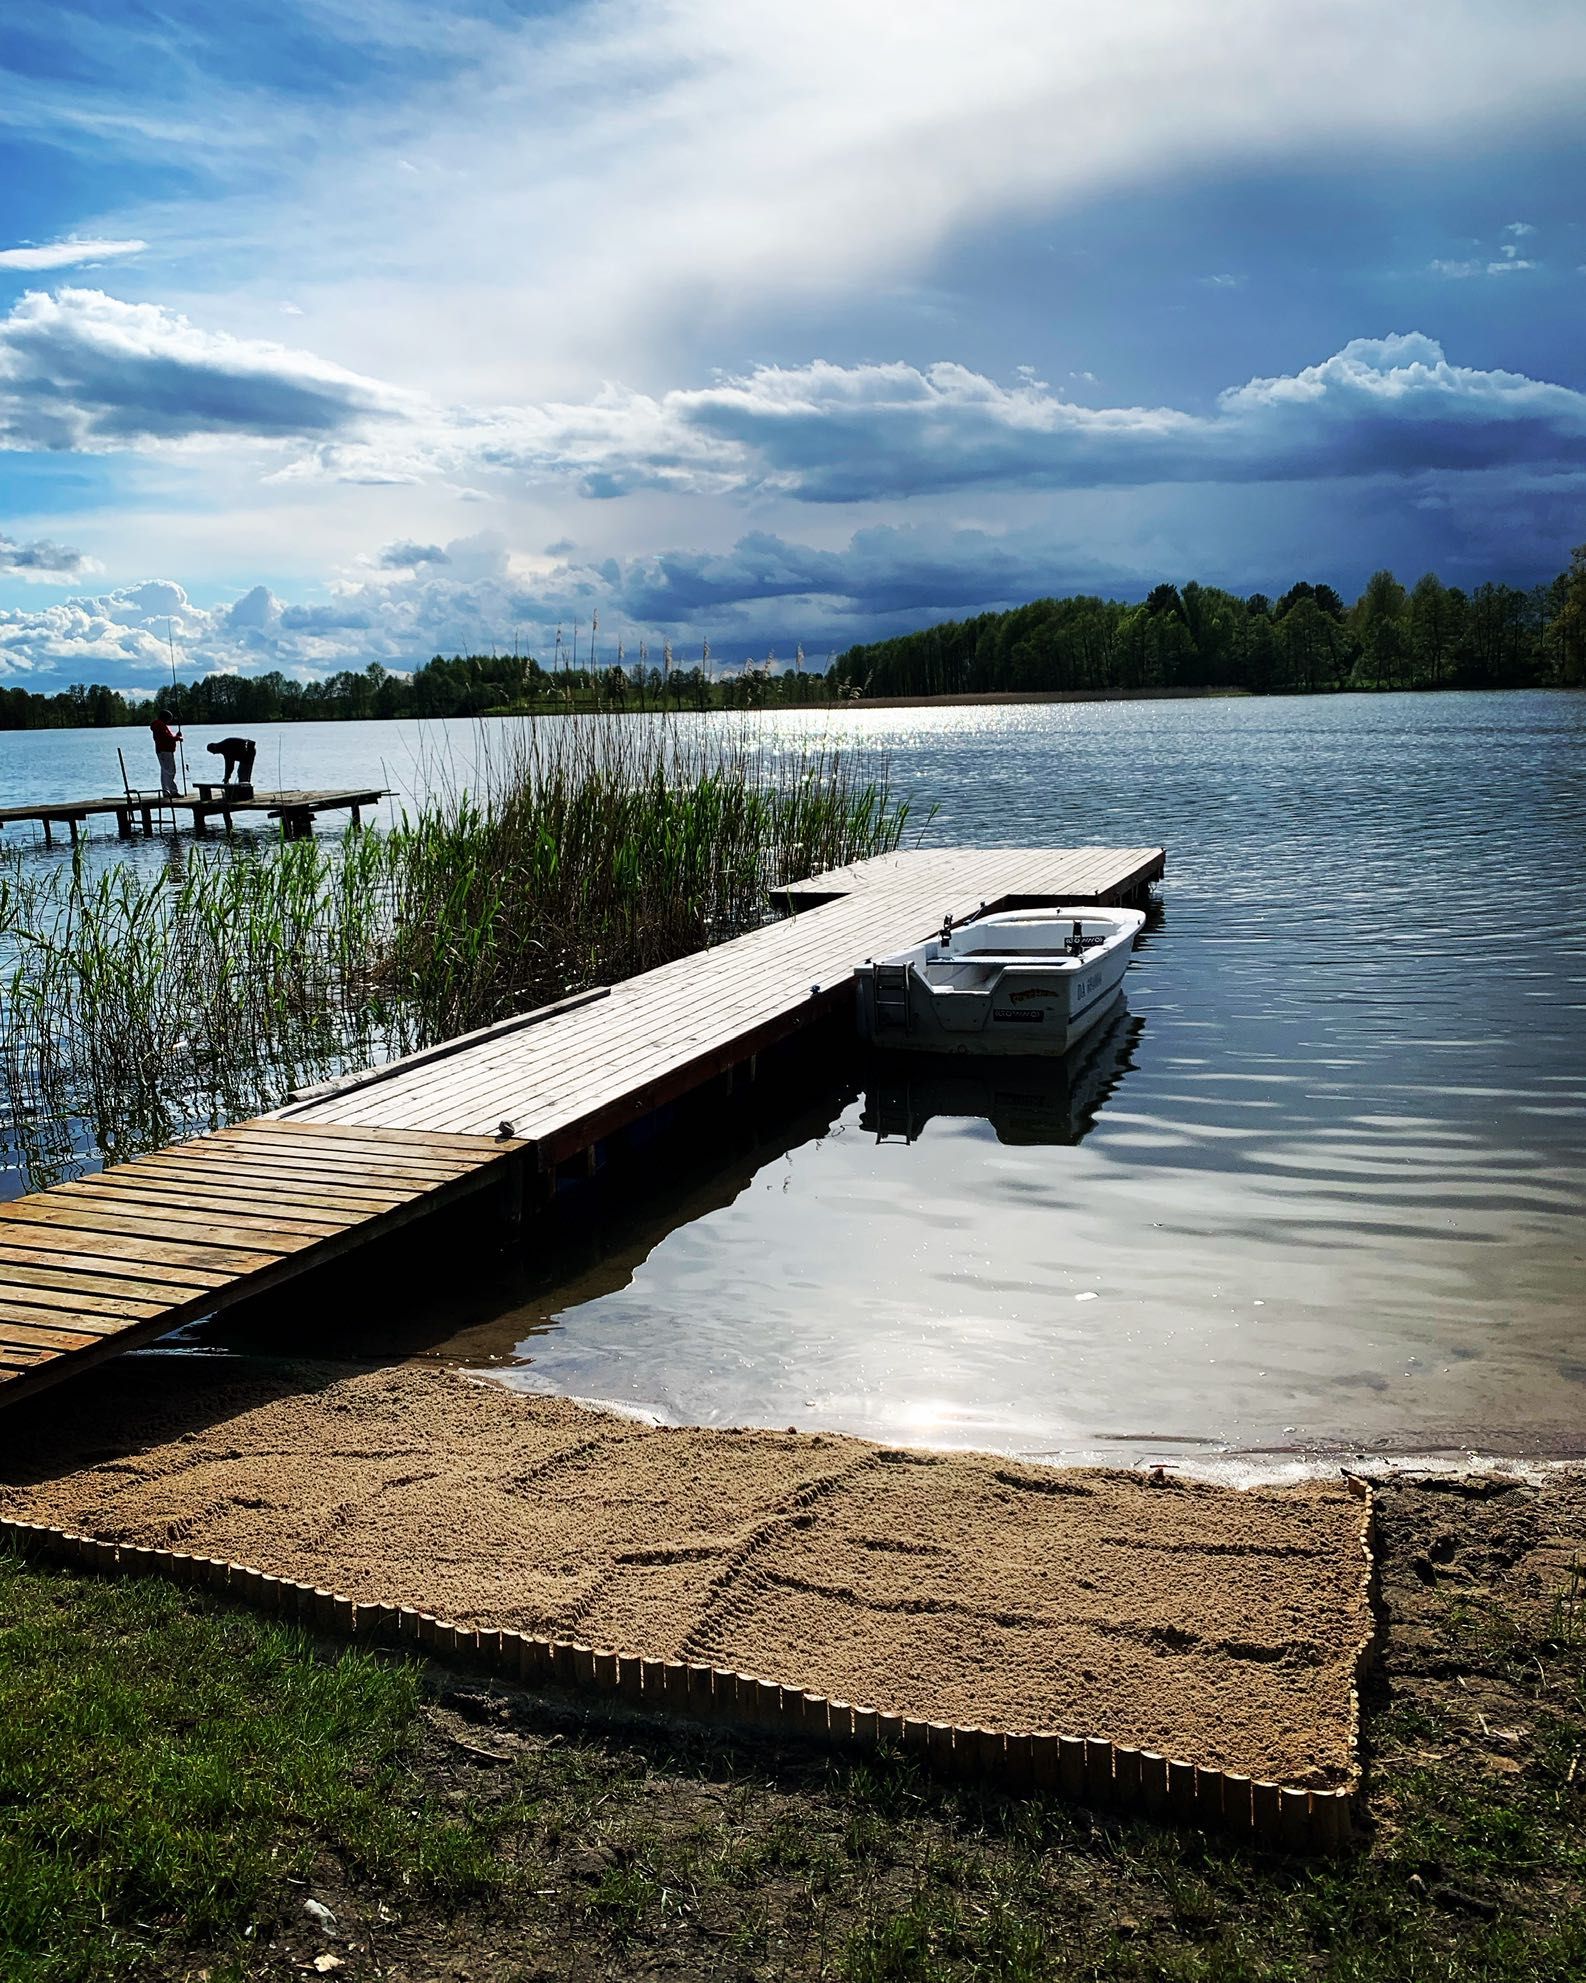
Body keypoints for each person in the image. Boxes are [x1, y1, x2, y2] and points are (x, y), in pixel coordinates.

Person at [150, 709, 183, 798]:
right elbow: (166, 738)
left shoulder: (159, 725)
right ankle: (172, 791)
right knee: (170, 771)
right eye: (169, 719)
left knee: (165, 771)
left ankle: (166, 791)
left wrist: (176, 736)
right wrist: (177, 738)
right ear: (165, 718)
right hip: (165, 751)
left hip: (162, 751)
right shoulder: (160, 725)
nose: (169, 721)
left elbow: (166, 737)